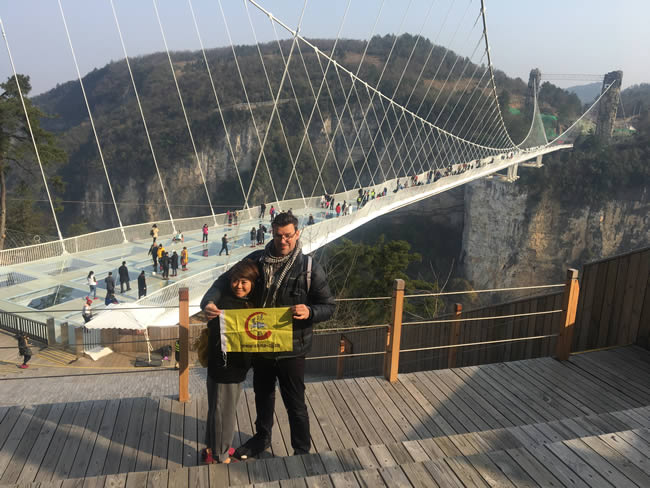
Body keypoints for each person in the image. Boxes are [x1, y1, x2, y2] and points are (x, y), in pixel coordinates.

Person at [201, 212, 335, 458]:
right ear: (272, 233)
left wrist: (310, 311)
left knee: (295, 401)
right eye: (278, 235)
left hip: (292, 347)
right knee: (262, 395)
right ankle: (262, 439)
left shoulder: (309, 268)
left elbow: (328, 306)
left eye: (288, 235)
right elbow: (223, 281)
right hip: (260, 343)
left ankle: (301, 450)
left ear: (297, 234)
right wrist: (209, 302)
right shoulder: (256, 260)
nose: (283, 240)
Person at [201, 260, 258, 464]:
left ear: (253, 283)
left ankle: (211, 448)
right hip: (227, 366)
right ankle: (220, 455)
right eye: (235, 281)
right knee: (224, 412)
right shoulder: (228, 304)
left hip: (224, 365)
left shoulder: (231, 300)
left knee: (217, 408)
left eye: (244, 282)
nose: (238, 286)